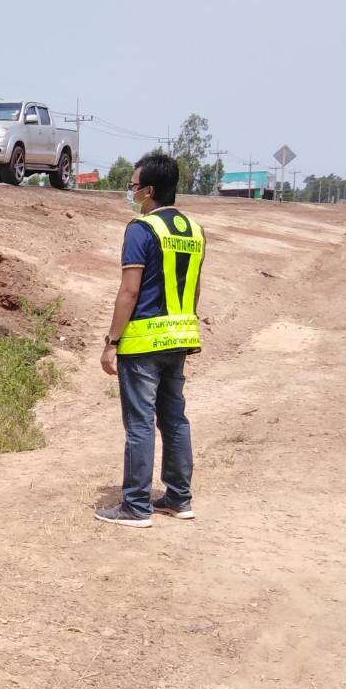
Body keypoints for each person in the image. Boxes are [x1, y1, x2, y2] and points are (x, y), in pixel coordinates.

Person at [96, 151, 205, 527]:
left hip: (143, 341)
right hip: (180, 336)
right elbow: (194, 288)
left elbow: (129, 290)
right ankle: (179, 498)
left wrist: (112, 341)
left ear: (149, 191)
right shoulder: (194, 230)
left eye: (133, 185)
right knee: (174, 419)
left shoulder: (141, 229)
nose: (130, 191)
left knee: (140, 422)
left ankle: (136, 506)